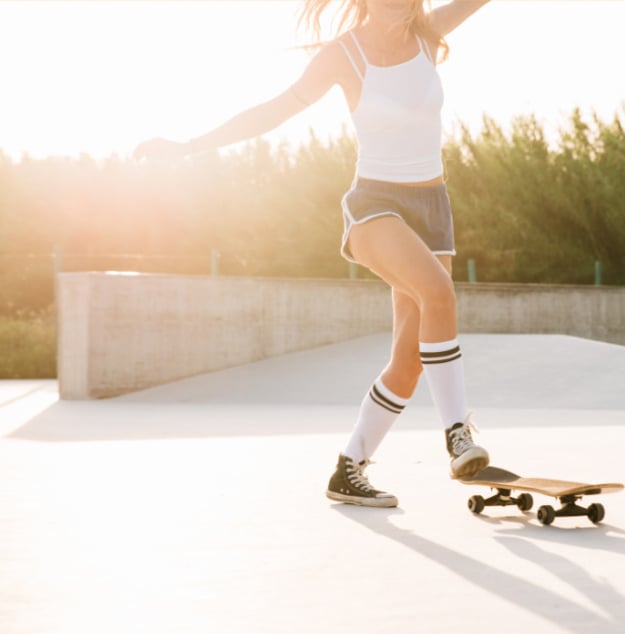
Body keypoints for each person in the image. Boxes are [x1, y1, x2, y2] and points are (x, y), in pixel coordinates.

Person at [135, 0, 492, 508]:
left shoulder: (429, 34)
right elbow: (273, 111)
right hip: (377, 206)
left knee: (409, 362)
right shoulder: (341, 55)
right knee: (439, 292)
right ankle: (457, 433)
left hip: (433, 208)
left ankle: (349, 470)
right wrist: (188, 146)